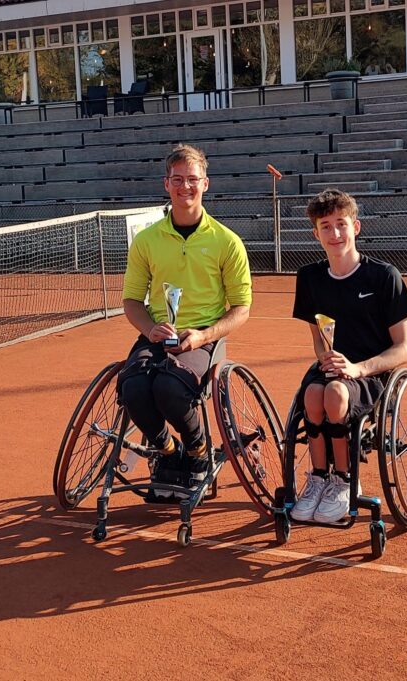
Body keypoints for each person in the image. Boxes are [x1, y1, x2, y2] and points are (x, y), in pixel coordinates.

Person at [118, 144, 252, 500]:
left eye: (192, 179)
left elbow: (241, 308)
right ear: (167, 184)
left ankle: (196, 450)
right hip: (157, 335)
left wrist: (204, 334)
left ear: (205, 184)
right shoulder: (147, 240)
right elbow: (131, 300)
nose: (185, 187)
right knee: (132, 388)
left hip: (204, 337)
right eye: (178, 179)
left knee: (168, 388)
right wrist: (150, 329)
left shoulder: (227, 242)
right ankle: (166, 452)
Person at [290, 189, 407, 524]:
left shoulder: (384, 276)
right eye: (326, 226)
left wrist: (357, 369)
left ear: (356, 227)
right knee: (313, 393)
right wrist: (326, 358)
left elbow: (406, 347)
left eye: (341, 224)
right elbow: (318, 339)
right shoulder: (309, 278)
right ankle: (319, 478)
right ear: (315, 233)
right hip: (332, 370)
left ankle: (344, 481)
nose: (335, 233)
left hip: (371, 373)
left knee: (332, 393)